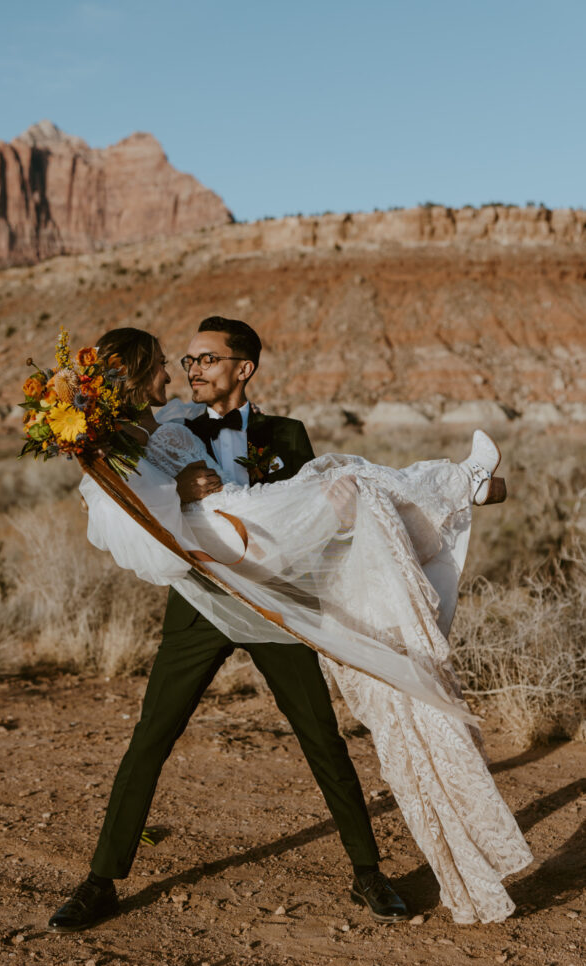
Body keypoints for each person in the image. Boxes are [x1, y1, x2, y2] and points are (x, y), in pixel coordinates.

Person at [48, 319, 531, 932]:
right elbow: (133, 482)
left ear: (242, 368)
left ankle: (368, 873)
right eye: (186, 360)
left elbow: (318, 519)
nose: (192, 369)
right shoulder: (171, 427)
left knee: (321, 739)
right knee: (151, 738)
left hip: (278, 603)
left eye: (205, 359)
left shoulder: (286, 434)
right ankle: (100, 883)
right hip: (201, 605)